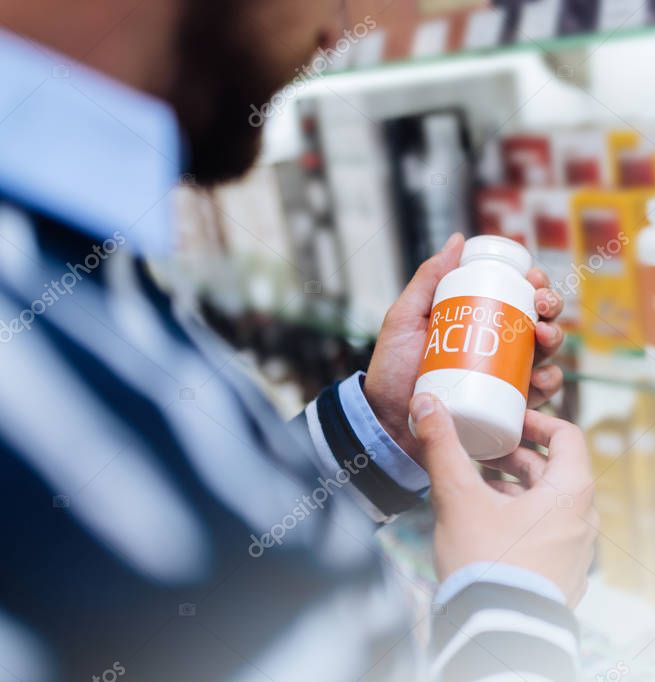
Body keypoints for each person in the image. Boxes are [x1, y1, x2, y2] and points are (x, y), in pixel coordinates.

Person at [0, 1, 597, 680]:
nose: (337, 30)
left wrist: (380, 432)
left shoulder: (63, 266)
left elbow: (204, 540)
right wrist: (514, 608)